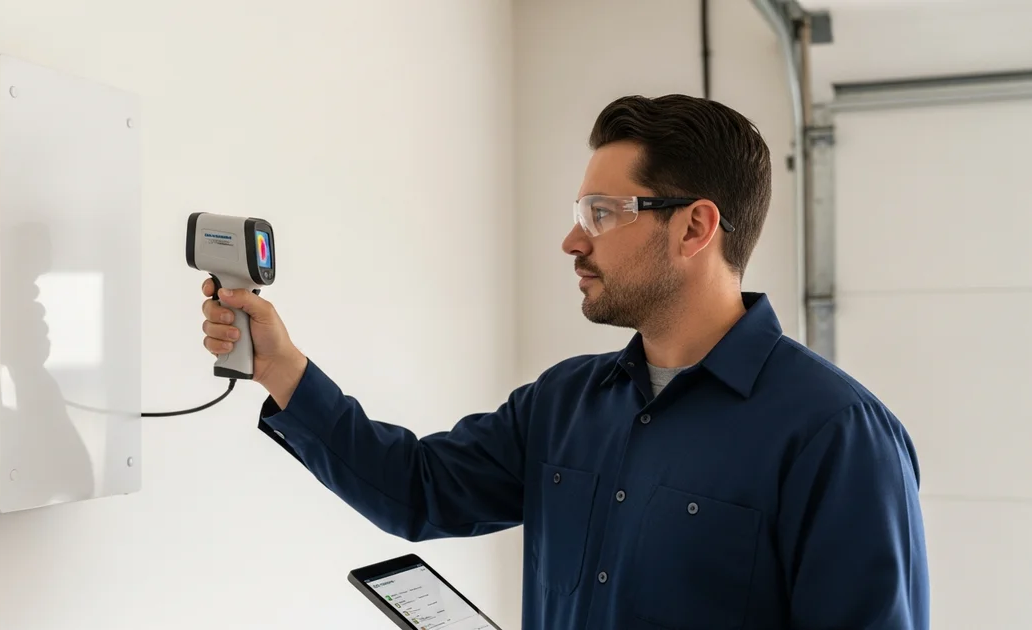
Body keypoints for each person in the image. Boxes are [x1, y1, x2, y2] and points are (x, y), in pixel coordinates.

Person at [200, 94, 929, 629]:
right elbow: (417, 491)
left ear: (695, 227)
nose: (571, 242)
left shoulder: (837, 434)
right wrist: (283, 370)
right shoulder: (565, 402)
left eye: (601, 216)